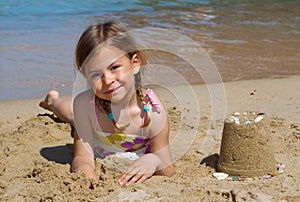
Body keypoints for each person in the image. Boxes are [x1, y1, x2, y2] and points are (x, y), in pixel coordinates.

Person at [39, 20, 175, 187]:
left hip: (99, 120)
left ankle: (54, 100)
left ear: (135, 63)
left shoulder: (152, 112)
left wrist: (154, 160)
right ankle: (53, 101)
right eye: (96, 74)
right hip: (92, 114)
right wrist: (87, 175)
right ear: (86, 77)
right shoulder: (85, 105)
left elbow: (167, 168)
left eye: (114, 67)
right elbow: (82, 157)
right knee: (72, 114)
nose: (108, 80)